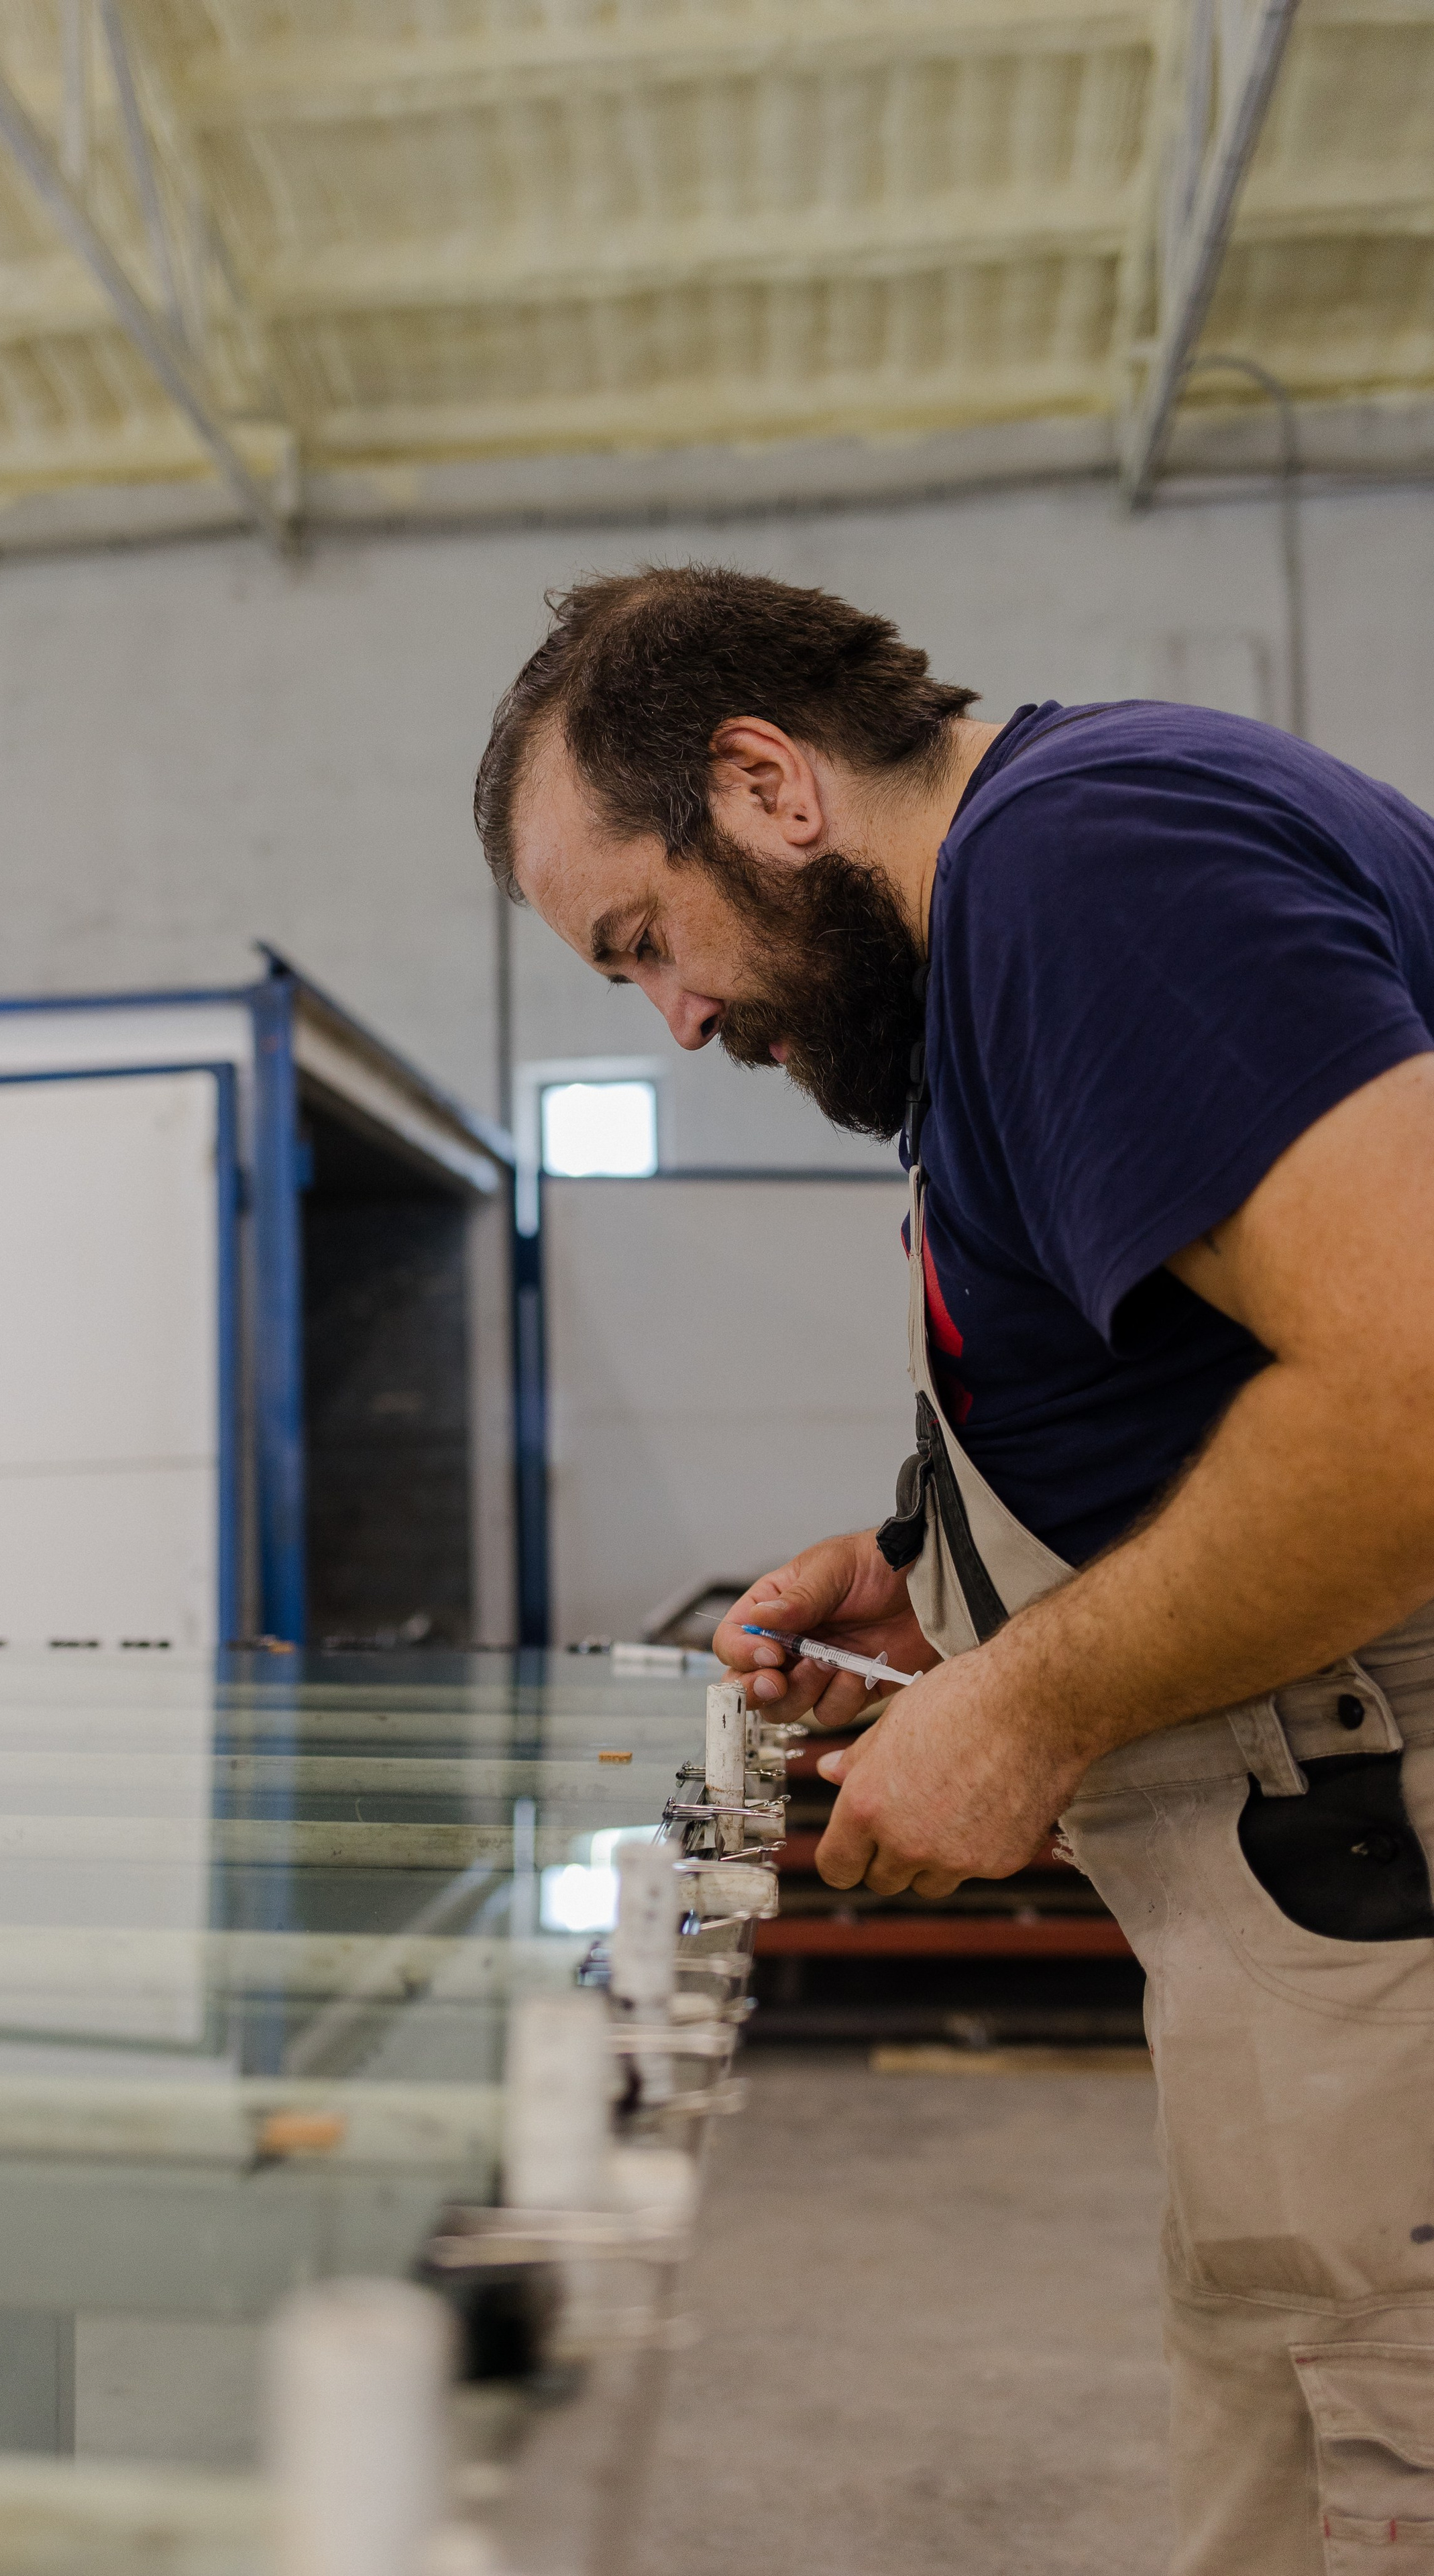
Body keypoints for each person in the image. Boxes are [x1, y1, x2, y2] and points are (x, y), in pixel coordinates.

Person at [474, 563, 1434, 2576]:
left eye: (645, 940)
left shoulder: (1087, 875)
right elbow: (1236, 1374)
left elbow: (1415, 1381)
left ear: (768, 783)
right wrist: (956, 1587)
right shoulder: (1053, 889)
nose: (678, 1015)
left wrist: (1032, 1700)